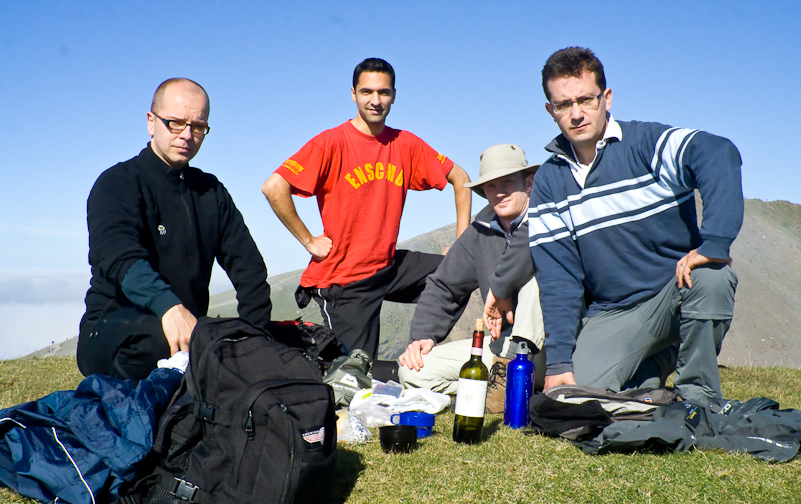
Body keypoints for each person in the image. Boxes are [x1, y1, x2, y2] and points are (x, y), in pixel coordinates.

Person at [486, 47, 743, 402]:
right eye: (563, 105)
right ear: (551, 111)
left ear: (606, 98)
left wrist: (714, 245)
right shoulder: (549, 181)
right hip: (613, 313)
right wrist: (559, 361)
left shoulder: (647, 144)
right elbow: (559, 278)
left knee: (712, 276)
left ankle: (697, 395)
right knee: (575, 397)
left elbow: (718, 153)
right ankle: (652, 364)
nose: (576, 114)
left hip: (675, 294)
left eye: (586, 100)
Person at [262, 58, 471, 379]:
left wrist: (461, 244)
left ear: (394, 95)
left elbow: (461, 179)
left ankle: (421, 350)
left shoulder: (405, 144)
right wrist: (308, 240)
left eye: (383, 92)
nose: (375, 100)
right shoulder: (331, 142)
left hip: (387, 267)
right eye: (367, 92)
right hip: (345, 280)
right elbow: (274, 187)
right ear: (353, 94)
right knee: (354, 378)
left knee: (462, 272)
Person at [77, 78, 273, 381]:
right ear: (151, 122)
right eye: (175, 123)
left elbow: (248, 267)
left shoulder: (210, 192)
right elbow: (120, 258)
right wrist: (169, 308)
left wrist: (257, 337)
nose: (187, 135)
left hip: (187, 331)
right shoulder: (117, 183)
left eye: (198, 126)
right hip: (115, 330)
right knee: (158, 341)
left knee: (228, 342)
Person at [398, 144, 545, 412]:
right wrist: (423, 337)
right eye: (491, 186)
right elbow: (444, 285)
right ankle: (500, 387)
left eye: (507, 182)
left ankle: (513, 383)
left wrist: (502, 286)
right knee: (413, 372)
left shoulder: (551, 219)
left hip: (553, 347)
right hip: (500, 349)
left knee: (532, 280)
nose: (499, 191)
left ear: (528, 183)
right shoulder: (480, 232)